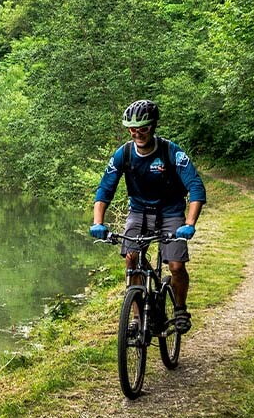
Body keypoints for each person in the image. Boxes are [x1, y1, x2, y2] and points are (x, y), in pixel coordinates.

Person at [89, 99, 206, 333]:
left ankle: (180, 309)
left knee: (175, 266)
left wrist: (190, 223)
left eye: (142, 128)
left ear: (152, 127)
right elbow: (105, 190)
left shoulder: (171, 152)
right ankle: (135, 316)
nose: (137, 134)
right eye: (132, 129)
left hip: (170, 212)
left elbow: (196, 188)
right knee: (132, 260)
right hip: (139, 212)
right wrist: (97, 222)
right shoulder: (123, 154)